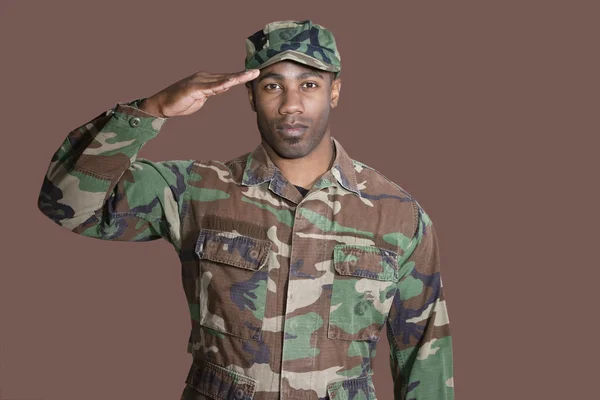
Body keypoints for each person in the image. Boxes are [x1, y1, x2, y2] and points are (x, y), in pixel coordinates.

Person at [37, 20, 454, 400]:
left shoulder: (397, 214)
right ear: (251, 96)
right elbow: (69, 203)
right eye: (273, 86)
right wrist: (152, 110)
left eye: (309, 84)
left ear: (335, 91)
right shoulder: (195, 189)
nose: (291, 104)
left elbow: (424, 353)